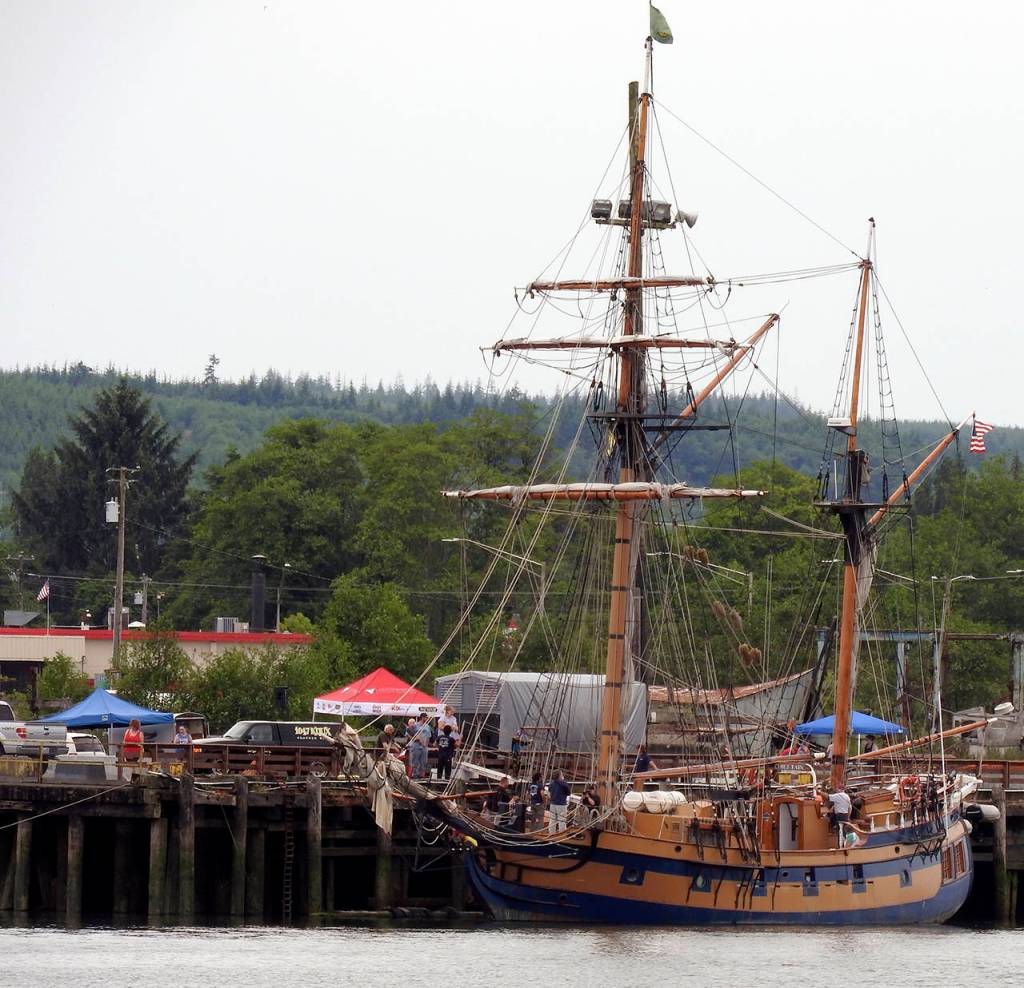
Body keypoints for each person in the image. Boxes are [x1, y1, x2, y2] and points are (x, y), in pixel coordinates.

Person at [410, 713, 433, 779]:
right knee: (415, 761)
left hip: (424, 747)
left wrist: (426, 744)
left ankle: (421, 775)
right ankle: (415, 775)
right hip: (416, 746)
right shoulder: (415, 725)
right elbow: (408, 733)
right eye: (426, 717)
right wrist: (415, 738)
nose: (427, 719)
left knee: (423, 761)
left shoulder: (427, 726)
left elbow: (429, 736)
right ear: (422, 717)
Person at [548, 770, 570, 834]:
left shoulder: (551, 784)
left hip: (553, 804)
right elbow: (568, 792)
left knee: (552, 820)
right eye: (562, 774)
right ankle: (562, 834)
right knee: (562, 820)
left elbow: (549, 793)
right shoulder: (563, 783)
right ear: (560, 775)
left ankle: (551, 833)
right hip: (561, 804)